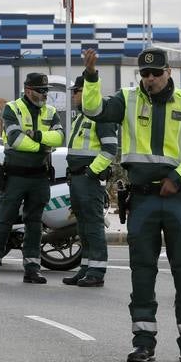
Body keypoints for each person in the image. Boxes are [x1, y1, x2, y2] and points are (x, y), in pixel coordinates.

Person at [81, 46, 181, 362]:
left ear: (169, 72)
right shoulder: (127, 100)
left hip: (178, 198)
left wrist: (179, 177)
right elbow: (94, 110)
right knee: (142, 273)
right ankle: (143, 341)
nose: (150, 79)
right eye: (145, 73)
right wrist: (90, 76)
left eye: (156, 73)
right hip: (141, 199)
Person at [0, 71, 63, 284]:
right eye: (41, 90)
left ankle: (32, 268)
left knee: (35, 223)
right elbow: (16, 140)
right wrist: (43, 146)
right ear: (28, 90)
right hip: (15, 175)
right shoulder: (12, 108)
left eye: (46, 90)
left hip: (39, 176)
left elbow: (60, 137)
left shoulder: (51, 111)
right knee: (4, 220)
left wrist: (37, 137)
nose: (45, 94)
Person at [61, 75, 118, 287]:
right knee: (83, 226)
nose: (73, 96)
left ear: (85, 92)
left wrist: (91, 173)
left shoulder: (101, 116)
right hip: (78, 178)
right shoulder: (81, 116)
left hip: (88, 179)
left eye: (75, 91)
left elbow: (110, 150)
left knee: (93, 225)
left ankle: (97, 270)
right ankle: (85, 268)